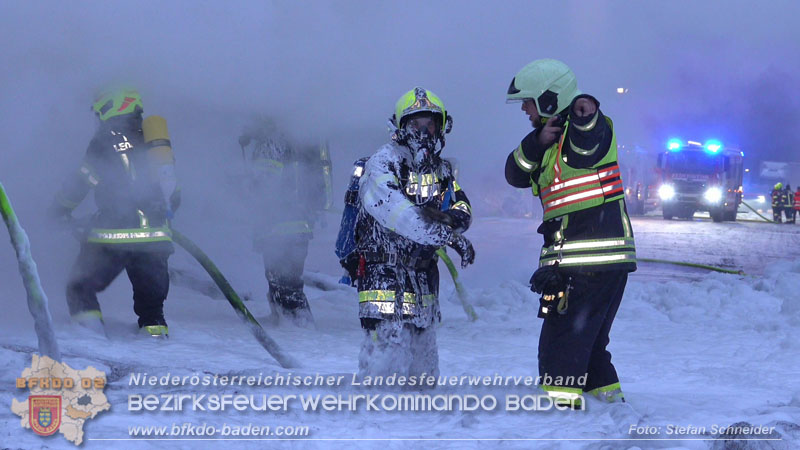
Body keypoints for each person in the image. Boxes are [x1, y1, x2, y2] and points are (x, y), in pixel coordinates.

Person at [504, 59, 637, 408]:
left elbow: (589, 139)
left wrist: (585, 112)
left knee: (560, 352)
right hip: (591, 264)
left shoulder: (588, 129)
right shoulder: (548, 141)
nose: (523, 108)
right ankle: (610, 413)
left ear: (549, 100)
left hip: (588, 263)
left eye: (528, 102)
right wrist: (536, 141)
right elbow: (514, 174)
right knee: (589, 349)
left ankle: (560, 420)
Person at [355, 87, 475, 379]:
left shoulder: (440, 170)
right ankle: (378, 418)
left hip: (423, 276)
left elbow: (461, 206)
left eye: (429, 123)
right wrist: (446, 236)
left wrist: (450, 218)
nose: (423, 131)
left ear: (441, 125)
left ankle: (423, 418)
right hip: (384, 273)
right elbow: (399, 214)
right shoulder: (383, 163)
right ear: (399, 126)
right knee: (386, 358)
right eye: (415, 123)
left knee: (423, 364)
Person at [49, 88, 179, 337]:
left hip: (114, 235)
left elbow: (82, 181)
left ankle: (91, 339)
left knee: (78, 288)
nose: (98, 114)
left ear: (114, 104)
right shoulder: (155, 143)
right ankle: (158, 345)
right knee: (152, 310)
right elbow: (175, 193)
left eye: (100, 107)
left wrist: (58, 211)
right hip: (158, 239)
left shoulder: (105, 139)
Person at [238, 117, 329, 327]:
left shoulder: (273, 140)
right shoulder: (295, 138)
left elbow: (263, 181)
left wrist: (242, 185)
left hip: (280, 224)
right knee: (283, 279)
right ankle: (283, 321)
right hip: (295, 223)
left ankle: (298, 327)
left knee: (285, 281)